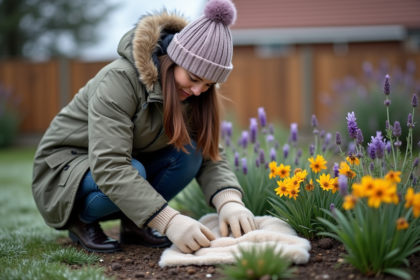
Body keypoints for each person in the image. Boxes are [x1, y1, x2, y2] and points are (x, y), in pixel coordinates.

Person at [31, 0, 256, 254]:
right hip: (63, 171)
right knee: (133, 169)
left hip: (118, 164)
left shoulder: (190, 95)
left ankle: (134, 223)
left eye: (207, 85)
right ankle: (82, 220)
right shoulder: (120, 80)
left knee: (190, 151)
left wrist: (230, 202)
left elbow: (209, 153)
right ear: (172, 60)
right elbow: (110, 166)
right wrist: (169, 220)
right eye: (193, 78)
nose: (197, 91)